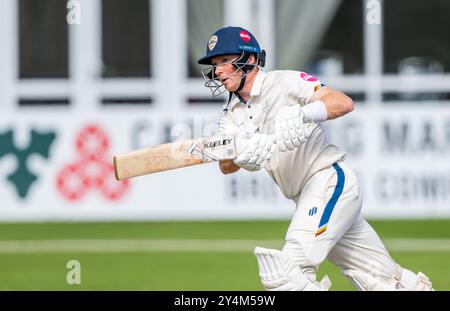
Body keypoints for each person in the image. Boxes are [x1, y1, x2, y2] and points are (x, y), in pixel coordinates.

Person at [197, 26, 434, 291]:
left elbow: (342, 102)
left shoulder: (284, 82)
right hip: (305, 197)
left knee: (286, 275)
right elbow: (225, 166)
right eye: (215, 65)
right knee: (387, 282)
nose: (217, 71)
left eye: (224, 62)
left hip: (328, 180)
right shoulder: (231, 113)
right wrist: (241, 154)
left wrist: (303, 114)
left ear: (249, 59)